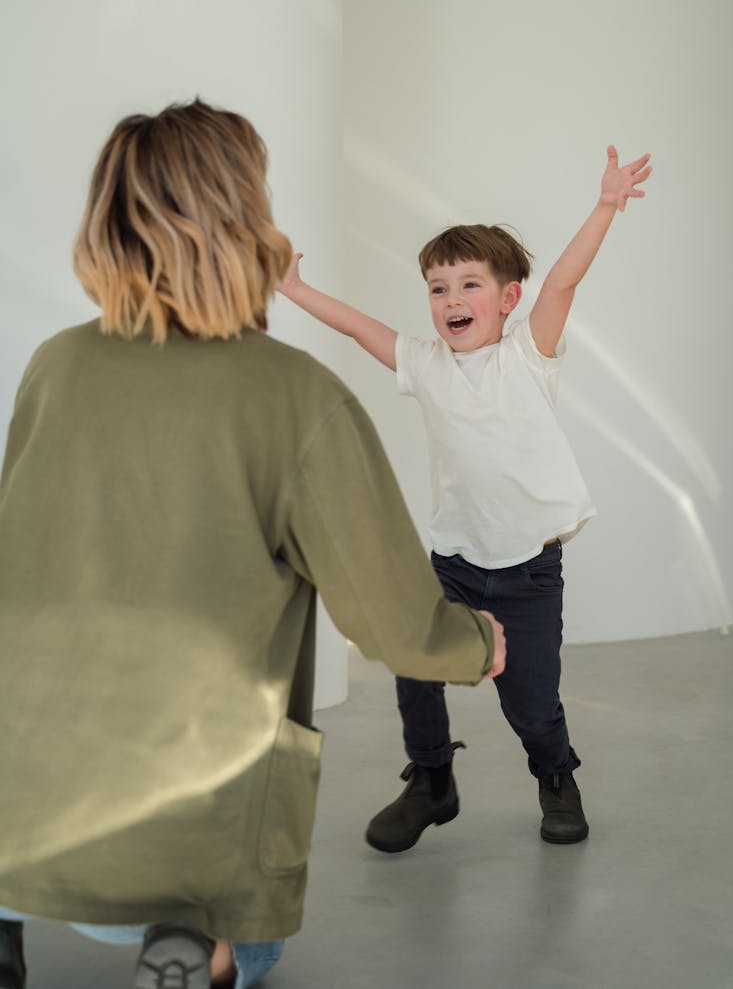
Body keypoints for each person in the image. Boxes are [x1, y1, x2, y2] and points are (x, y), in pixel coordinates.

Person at [0, 100, 506, 989]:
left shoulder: (52, 365)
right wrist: (473, 643)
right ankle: (203, 939)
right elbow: (385, 610)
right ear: (247, 224)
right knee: (240, 891)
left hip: (29, 785)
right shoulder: (294, 396)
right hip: (190, 803)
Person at [277, 145, 651, 853]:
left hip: (527, 570)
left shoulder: (526, 357)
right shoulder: (425, 363)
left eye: (469, 285)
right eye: (437, 288)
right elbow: (361, 327)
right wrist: (295, 290)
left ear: (507, 298)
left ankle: (555, 773)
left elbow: (564, 283)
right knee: (416, 664)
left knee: (532, 704)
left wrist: (604, 204)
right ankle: (431, 779)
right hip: (451, 560)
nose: (451, 301)